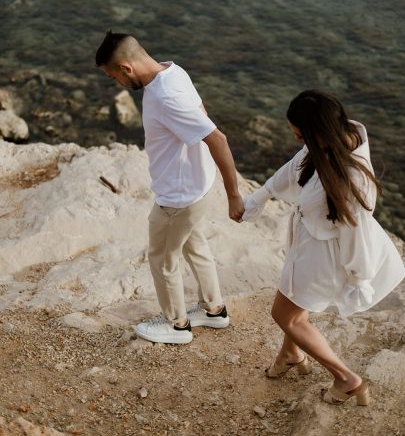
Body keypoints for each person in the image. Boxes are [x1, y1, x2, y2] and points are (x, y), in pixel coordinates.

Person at [243, 90, 405, 406]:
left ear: (318, 132)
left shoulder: (352, 179)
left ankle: (346, 379)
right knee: (295, 306)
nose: (300, 142)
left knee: (286, 315)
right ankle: (290, 354)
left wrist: (359, 279)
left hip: (324, 257)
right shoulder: (331, 142)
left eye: (301, 134)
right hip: (309, 246)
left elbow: (354, 232)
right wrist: (260, 197)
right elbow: (294, 167)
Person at [95, 31, 244, 344]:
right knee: (195, 246)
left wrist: (234, 195)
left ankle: (176, 325)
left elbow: (217, 138)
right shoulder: (173, 72)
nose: (117, 84)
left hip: (178, 196)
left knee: (163, 258)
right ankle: (214, 310)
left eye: (114, 77)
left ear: (126, 68)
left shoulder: (164, 97)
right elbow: (202, 114)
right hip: (197, 186)